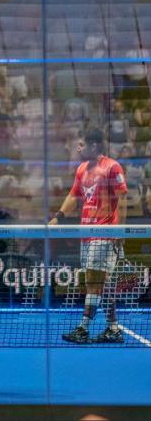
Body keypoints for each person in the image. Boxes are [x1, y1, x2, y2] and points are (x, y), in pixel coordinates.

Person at [50, 129, 127, 344]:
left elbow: (122, 199)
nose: (78, 148)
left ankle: (83, 329)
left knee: (93, 282)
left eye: (82, 144)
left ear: (94, 146)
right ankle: (113, 329)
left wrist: (119, 230)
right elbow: (74, 195)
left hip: (105, 231)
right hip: (86, 233)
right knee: (104, 283)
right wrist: (59, 216)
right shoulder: (82, 169)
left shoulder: (112, 167)